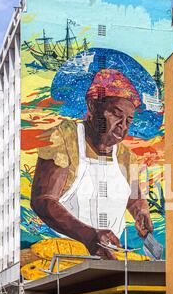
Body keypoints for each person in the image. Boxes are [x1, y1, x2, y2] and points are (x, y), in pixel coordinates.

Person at [31, 69, 153, 259]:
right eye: (116, 113)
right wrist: (89, 236)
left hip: (110, 253)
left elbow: (134, 197)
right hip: (63, 255)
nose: (122, 125)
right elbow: (43, 200)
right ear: (92, 105)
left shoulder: (127, 157)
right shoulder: (63, 137)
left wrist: (141, 211)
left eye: (129, 120)